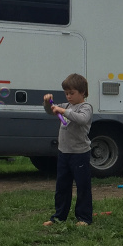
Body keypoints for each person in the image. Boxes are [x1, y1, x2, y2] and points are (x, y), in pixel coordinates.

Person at [43, 73, 93, 226]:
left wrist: (63, 111)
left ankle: (84, 218)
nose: (68, 96)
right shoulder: (66, 106)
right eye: (66, 93)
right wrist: (47, 103)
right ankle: (59, 217)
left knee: (82, 187)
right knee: (62, 187)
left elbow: (81, 119)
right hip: (64, 153)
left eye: (72, 93)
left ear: (82, 92)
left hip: (80, 154)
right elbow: (50, 111)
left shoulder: (86, 107)